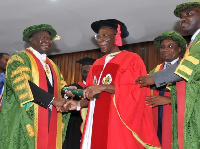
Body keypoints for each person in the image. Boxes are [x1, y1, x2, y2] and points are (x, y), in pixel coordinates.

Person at [65, 19, 161, 149]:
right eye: (98, 36)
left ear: (117, 37)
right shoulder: (96, 64)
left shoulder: (132, 59)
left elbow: (135, 90)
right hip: (95, 122)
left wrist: (103, 87)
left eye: (105, 35)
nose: (100, 40)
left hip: (117, 122)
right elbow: (92, 96)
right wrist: (78, 104)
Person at [135, 1, 200, 148]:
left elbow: (192, 66)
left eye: (188, 14)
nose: (183, 19)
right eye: (181, 16)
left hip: (181, 114)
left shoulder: (190, 54)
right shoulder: (158, 68)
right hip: (159, 118)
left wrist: (156, 81)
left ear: (179, 51)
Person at [0, 24, 70, 149]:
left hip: (49, 114)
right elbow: (23, 84)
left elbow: (60, 84)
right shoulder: (19, 58)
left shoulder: (52, 64)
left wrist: (67, 91)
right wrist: (53, 100)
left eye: (49, 39)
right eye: (42, 37)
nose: (47, 41)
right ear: (31, 39)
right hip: (25, 115)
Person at [147, 31, 187, 149]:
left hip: (176, 116)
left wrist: (169, 100)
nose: (165, 50)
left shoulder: (186, 69)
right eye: (162, 47)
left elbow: (194, 94)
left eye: (170, 46)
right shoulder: (155, 71)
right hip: (155, 117)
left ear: (179, 49)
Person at [63, 57, 96, 149]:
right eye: (85, 71)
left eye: (91, 71)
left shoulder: (98, 89)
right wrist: (67, 94)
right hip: (76, 127)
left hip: (94, 126)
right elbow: (62, 95)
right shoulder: (74, 87)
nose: (88, 74)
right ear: (81, 73)